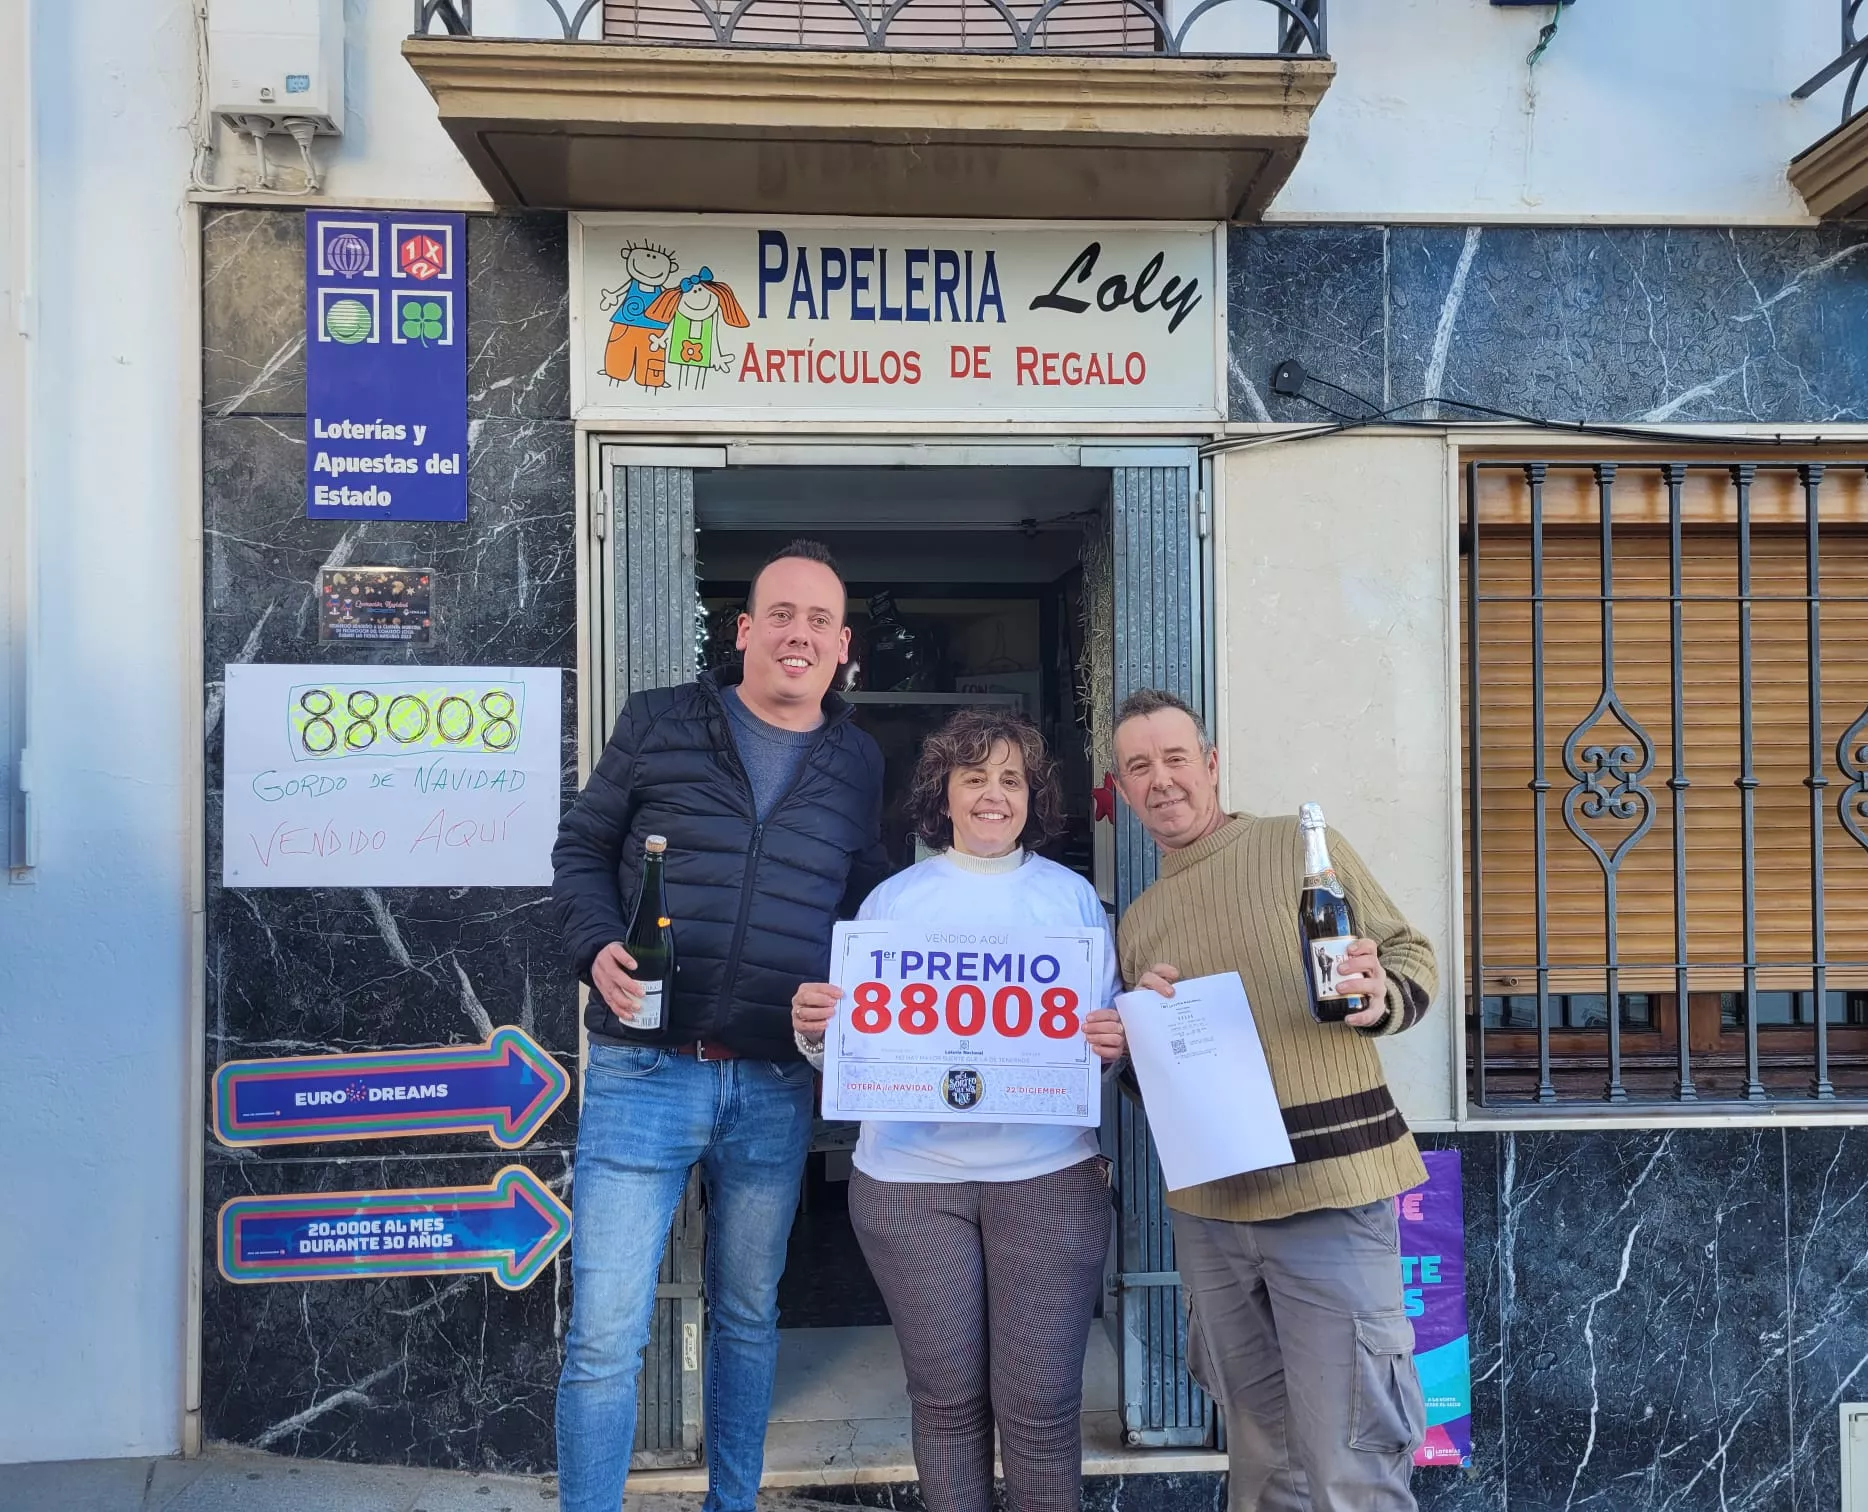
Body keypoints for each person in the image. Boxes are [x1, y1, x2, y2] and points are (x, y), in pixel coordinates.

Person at [548, 539, 888, 1512]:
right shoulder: (660, 723)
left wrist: (847, 1005)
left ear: (842, 645)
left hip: (776, 1083)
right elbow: (580, 849)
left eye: (819, 621)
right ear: (744, 631)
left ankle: (730, 1506)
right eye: (781, 614)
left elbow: (868, 913)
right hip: (644, 1075)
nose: (799, 634)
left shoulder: (858, 761)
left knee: (746, 1316)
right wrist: (595, 944)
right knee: (607, 1334)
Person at [789, 708, 1127, 1512]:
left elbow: (1098, 1057)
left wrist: (1113, 1044)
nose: (992, 795)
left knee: (1041, 1412)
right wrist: (815, 1036)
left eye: (1011, 779)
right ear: (943, 793)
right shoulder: (891, 907)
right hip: (910, 1185)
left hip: (1048, 1180)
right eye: (973, 776)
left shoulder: (1073, 902)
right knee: (944, 1405)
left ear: (1031, 798)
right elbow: (852, 1053)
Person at [1109, 688, 1435, 1512]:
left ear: (1212, 765)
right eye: (1139, 766)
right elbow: (1159, 1085)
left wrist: (1377, 993)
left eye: (1176, 758)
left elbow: (1409, 955)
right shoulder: (1139, 922)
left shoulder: (1298, 846)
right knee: (1261, 1460)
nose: (1161, 780)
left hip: (1329, 1198)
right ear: (1120, 787)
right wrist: (1132, 1040)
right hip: (1215, 1216)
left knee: (1350, 1464)